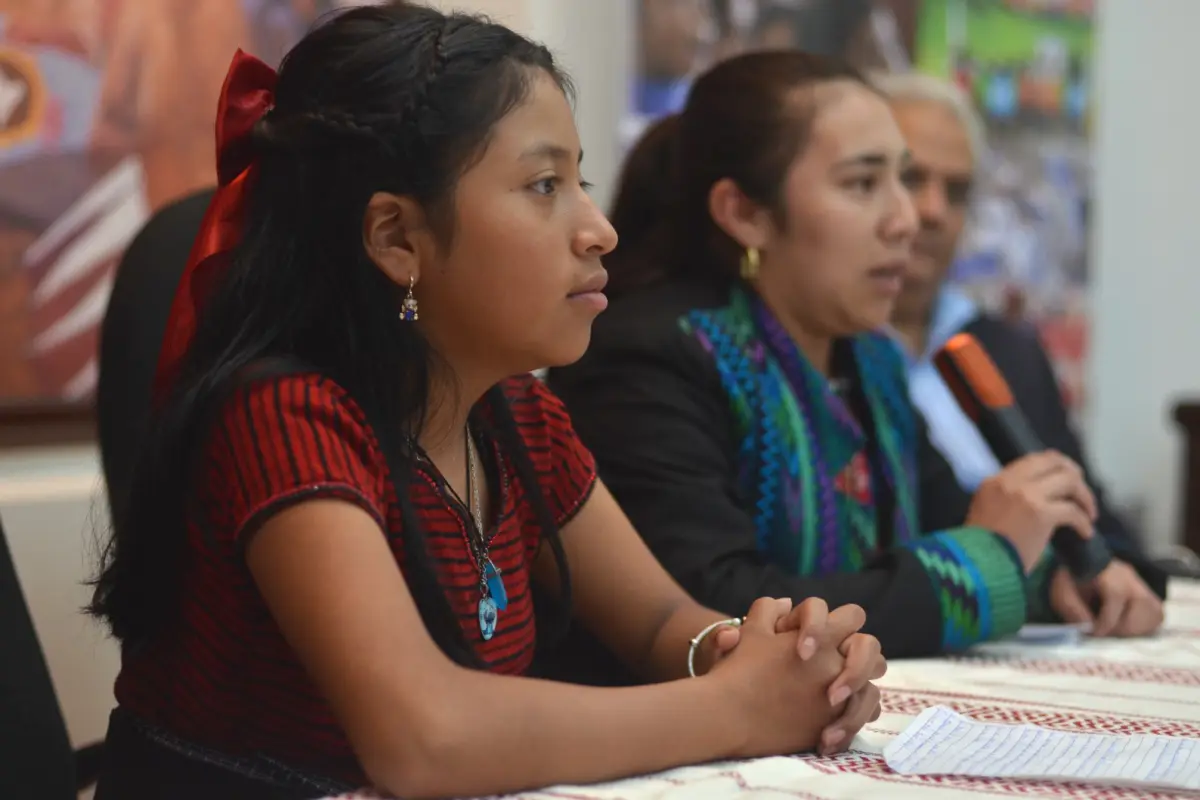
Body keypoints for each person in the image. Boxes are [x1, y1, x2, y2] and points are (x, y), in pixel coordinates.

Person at [86, 5, 886, 799]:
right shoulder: (284, 416)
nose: (599, 229)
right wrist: (733, 709)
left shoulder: (521, 420)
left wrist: (765, 657)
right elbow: (424, 739)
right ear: (397, 238)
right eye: (544, 185)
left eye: (582, 181)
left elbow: (656, 625)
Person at [547, 50, 1101, 667]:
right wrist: (992, 558)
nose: (907, 220)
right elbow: (719, 605)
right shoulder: (650, 357)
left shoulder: (869, 361)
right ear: (746, 214)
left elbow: (950, 529)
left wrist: (1061, 579)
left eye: (903, 178)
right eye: (864, 183)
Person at [875, 71, 1166, 636]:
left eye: (956, 191)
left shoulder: (1006, 347)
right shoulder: (833, 354)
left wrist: (1108, 572)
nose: (932, 211)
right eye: (911, 179)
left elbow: (1090, 515)